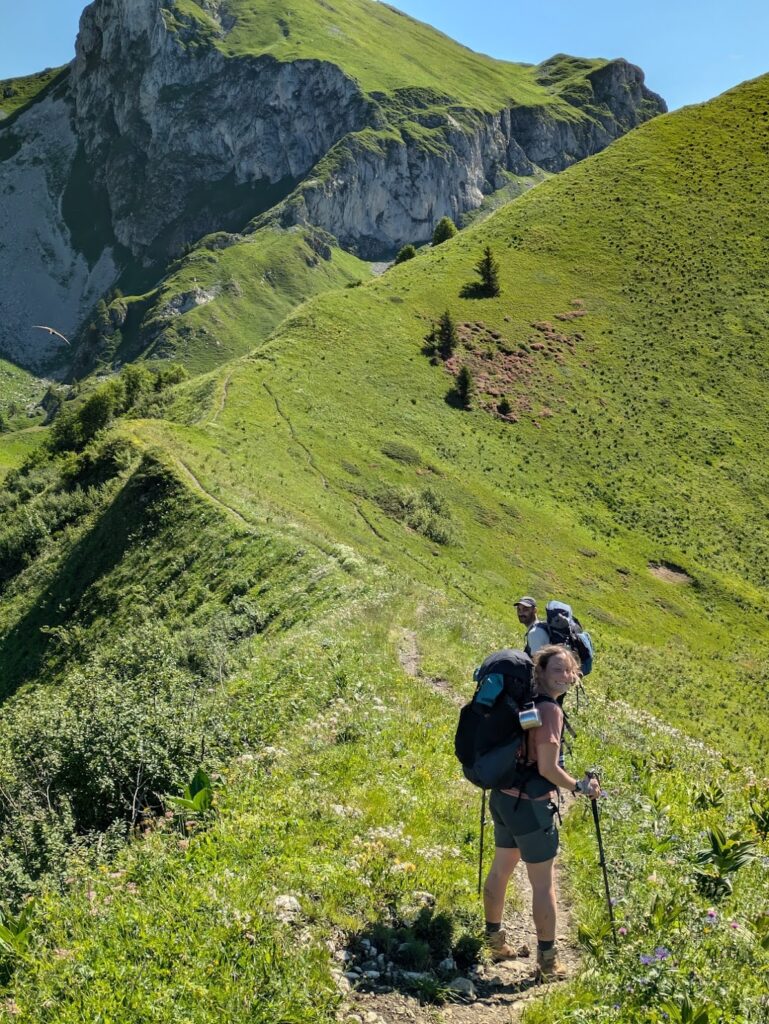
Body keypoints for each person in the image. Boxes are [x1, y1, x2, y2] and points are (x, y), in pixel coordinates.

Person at [482, 645, 601, 979]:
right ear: (541, 673)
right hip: (531, 808)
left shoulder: (525, 700)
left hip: (504, 797)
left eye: (570, 670)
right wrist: (579, 786)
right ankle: (548, 963)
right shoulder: (550, 711)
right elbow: (548, 768)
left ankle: (494, 941)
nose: (565, 676)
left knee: (501, 868)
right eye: (557, 670)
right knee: (543, 885)